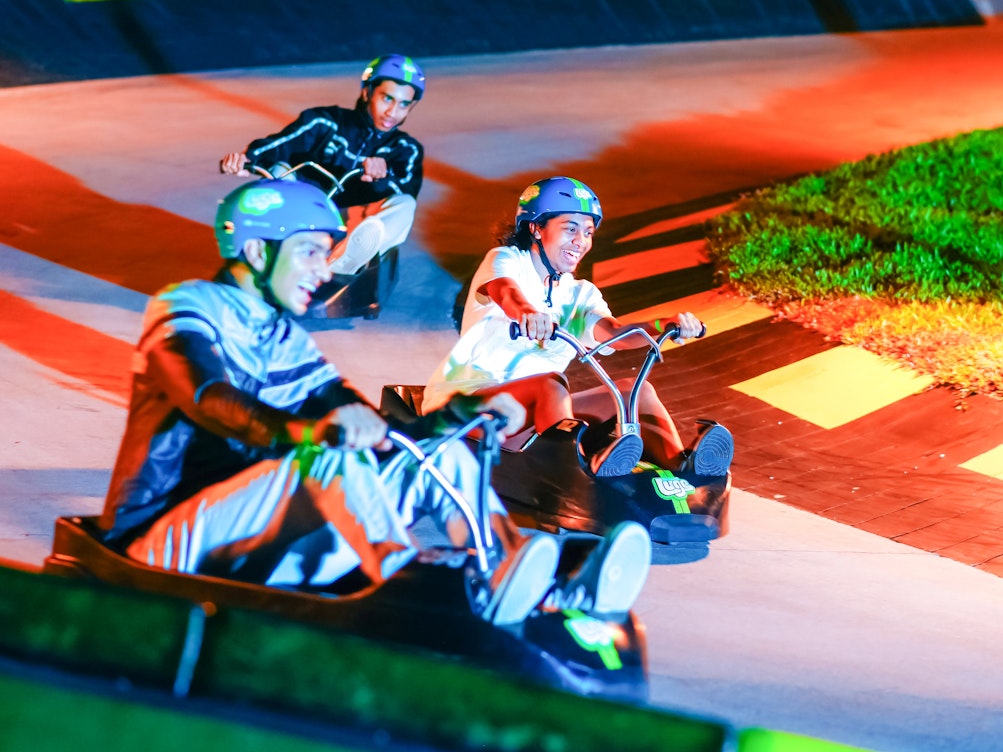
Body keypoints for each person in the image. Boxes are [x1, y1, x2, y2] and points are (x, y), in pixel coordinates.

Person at [97, 177, 652, 626]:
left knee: (443, 456)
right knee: (332, 457)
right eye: (311, 252)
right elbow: (206, 396)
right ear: (254, 251)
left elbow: (351, 411)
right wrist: (309, 435)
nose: (325, 269)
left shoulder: (283, 335)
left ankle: (528, 583)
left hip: (257, 523)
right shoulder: (186, 306)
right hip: (169, 535)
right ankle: (410, 582)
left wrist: (456, 420)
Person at [423, 176, 734, 479]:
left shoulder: (579, 293)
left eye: (587, 232)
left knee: (634, 392)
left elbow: (614, 334)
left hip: (537, 418)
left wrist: (665, 324)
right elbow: (507, 293)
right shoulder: (506, 260)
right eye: (570, 229)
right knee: (550, 384)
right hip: (467, 408)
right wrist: (528, 314)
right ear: (536, 228)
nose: (580, 241)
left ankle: (684, 470)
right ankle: (575, 473)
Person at [218, 54, 425, 280]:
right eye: (387, 98)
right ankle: (276, 254)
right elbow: (278, 145)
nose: (393, 113)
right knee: (279, 170)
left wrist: (382, 178)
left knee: (405, 204)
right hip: (305, 215)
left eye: (404, 104)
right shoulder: (324, 122)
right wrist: (247, 160)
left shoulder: (405, 149)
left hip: (352, 223)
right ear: (367, 92)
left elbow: (406, 187)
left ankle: (338, 266)